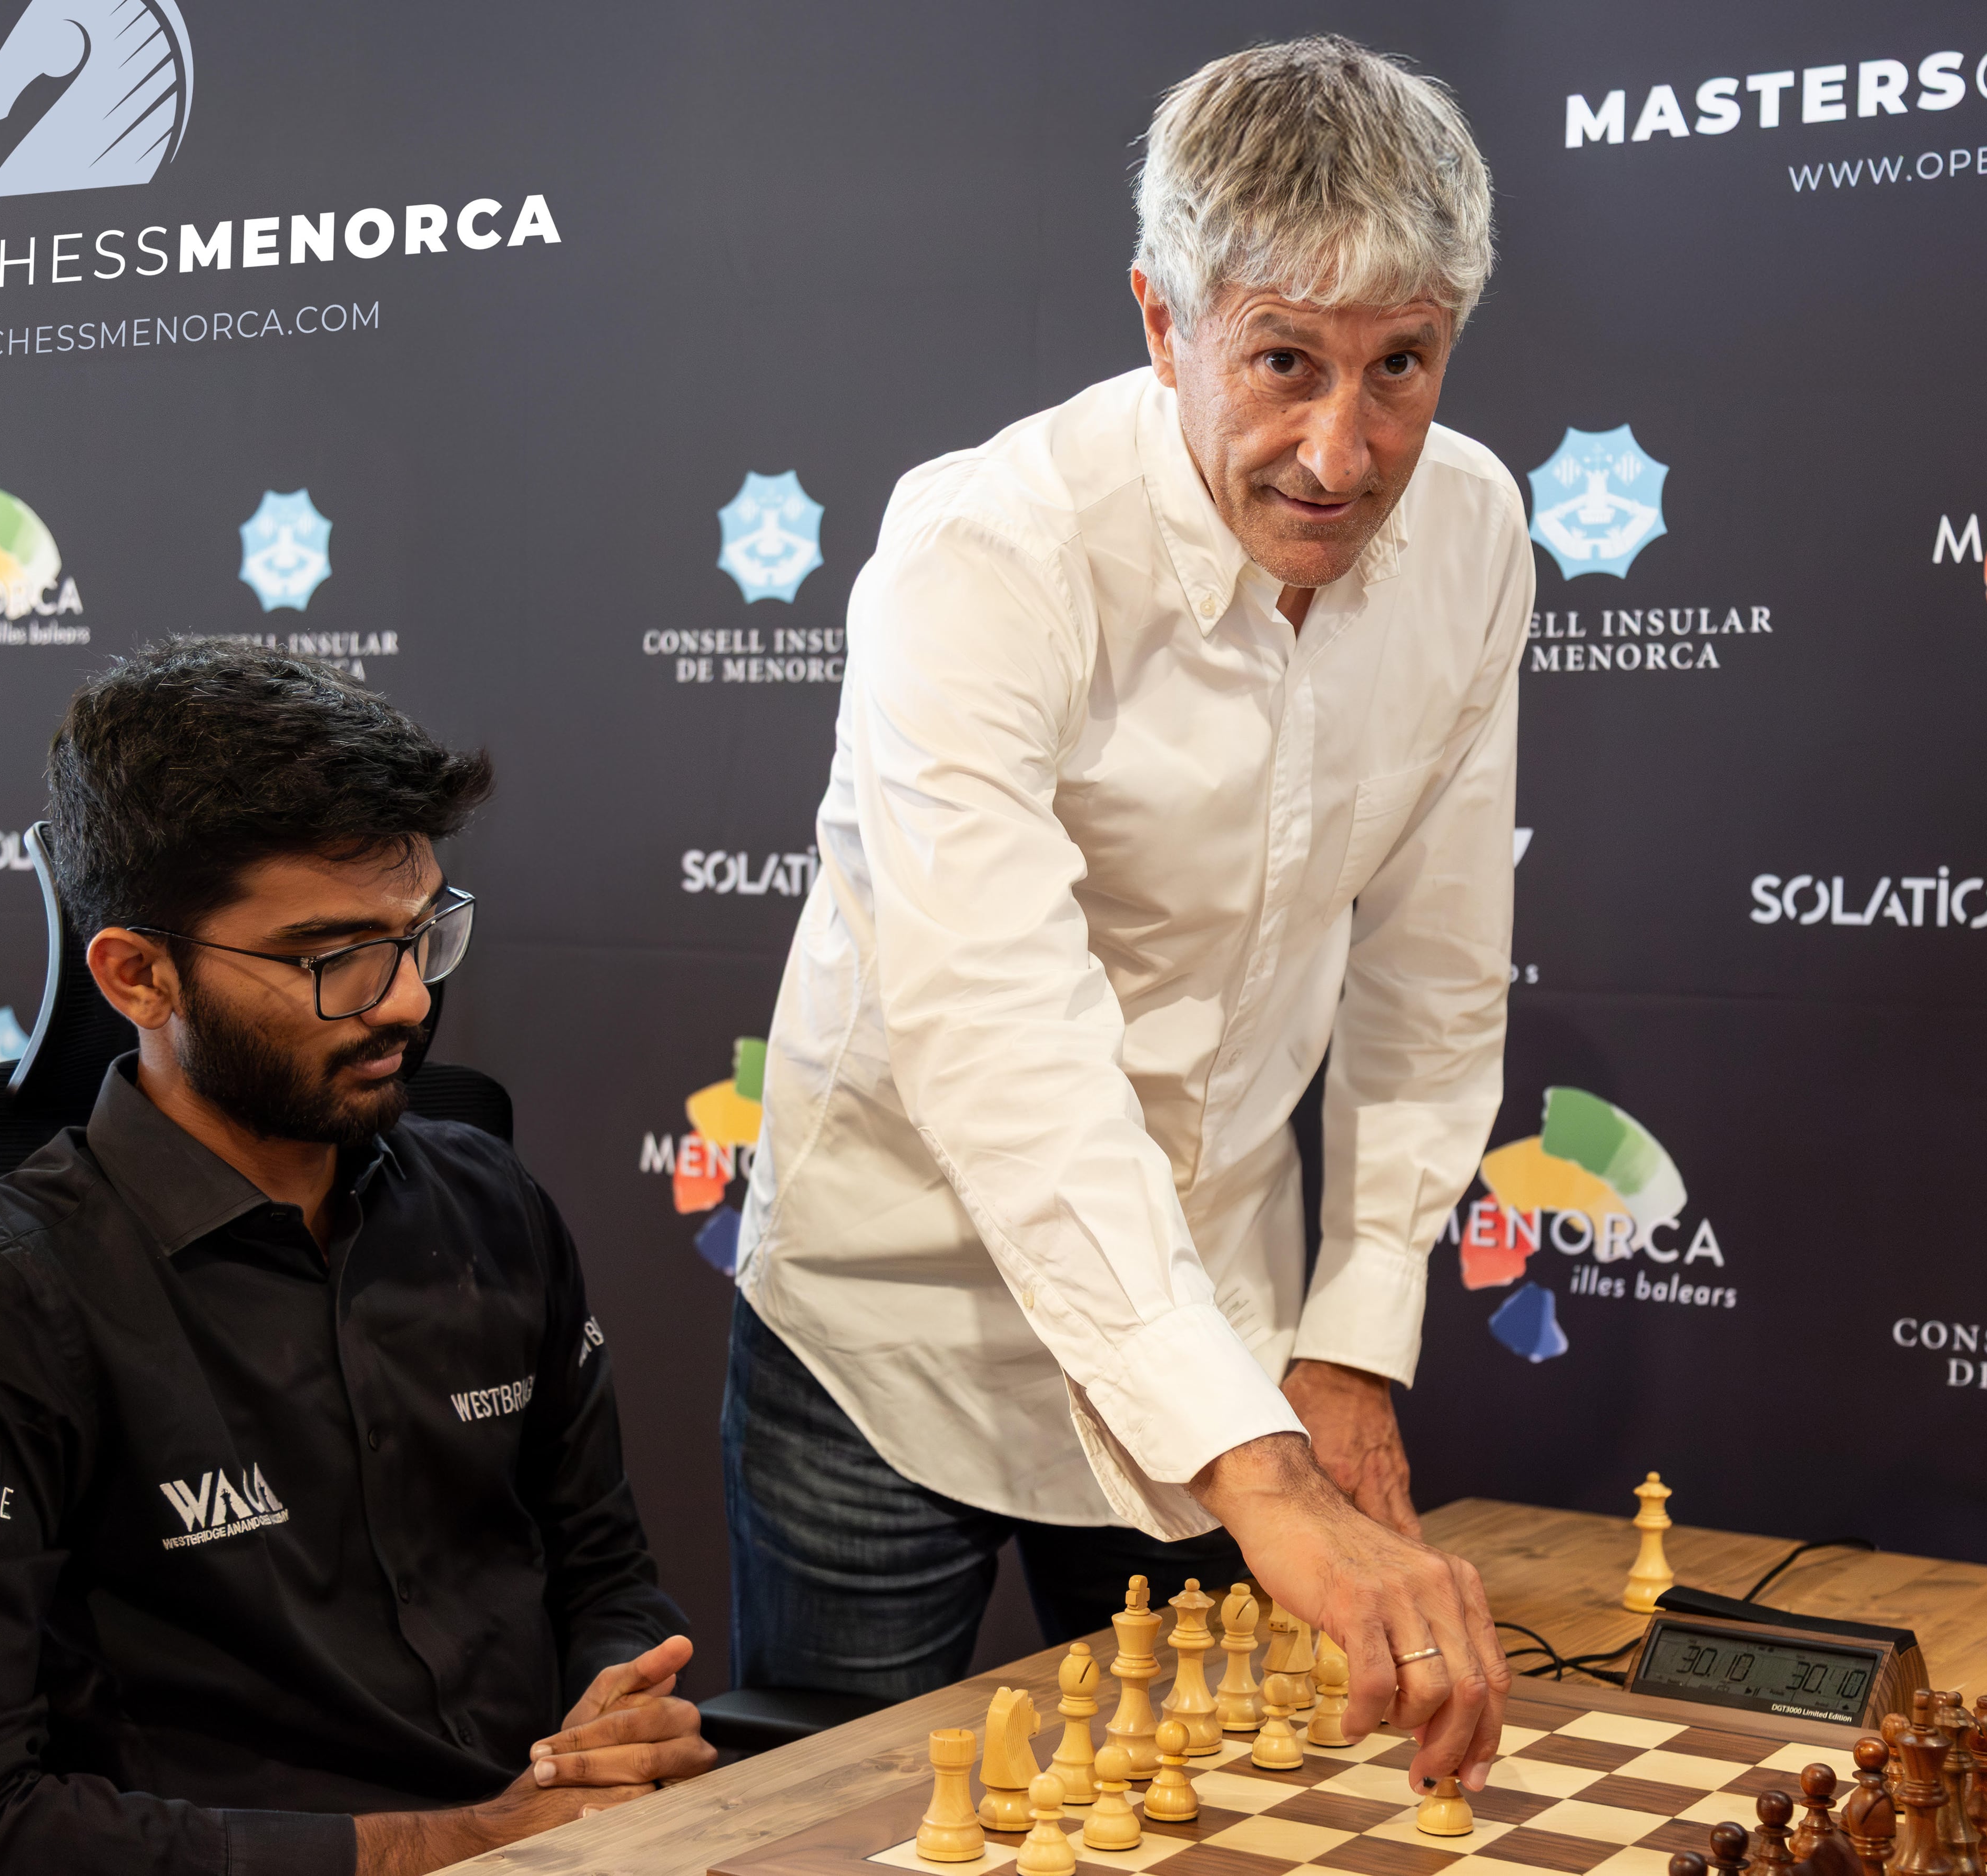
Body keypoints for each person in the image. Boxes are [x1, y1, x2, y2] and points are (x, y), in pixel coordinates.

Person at [727, 35, 1528, 1794]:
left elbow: (1436, 964)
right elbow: (1003, 1040)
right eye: (1285, 362)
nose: (1344, 447)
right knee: (847, 1816)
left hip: (1225, 1307)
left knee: (1222, 1813)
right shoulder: (985, 551)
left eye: (1403, 365)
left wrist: (1346, 1338)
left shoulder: (1475, 531)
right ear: (1165, 321)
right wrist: (1252, 1462)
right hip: (901, 1316)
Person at [0, 640, 711, 1875]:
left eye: (422, 934)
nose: (404, 1001)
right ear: (138, 974)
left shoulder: (490, 1201)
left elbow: (605, 1571)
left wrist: (619, 1700)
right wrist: (456, 1840)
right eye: (331, 958)